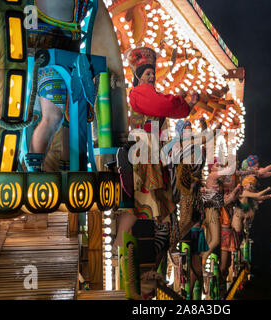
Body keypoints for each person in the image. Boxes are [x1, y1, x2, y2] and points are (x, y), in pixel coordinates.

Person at [113, 46, 198, 248]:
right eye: (147, 73)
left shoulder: (151, 94)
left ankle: (144, 249)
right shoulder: (139, 93)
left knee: (154, 202)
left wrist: (187, 106)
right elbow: (164, 105)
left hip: (154, 152)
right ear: (139, 76)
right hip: (144, 152)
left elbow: (166, 106)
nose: (151, 77)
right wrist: (182, 104)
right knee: (142, 201)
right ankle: (118, 245)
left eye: (152, 73)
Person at [28, 0, 128, 171]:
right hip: (47, 49)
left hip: (67, 51)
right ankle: (34, 173)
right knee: (53, 117)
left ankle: (68, 175)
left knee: (71, 120)